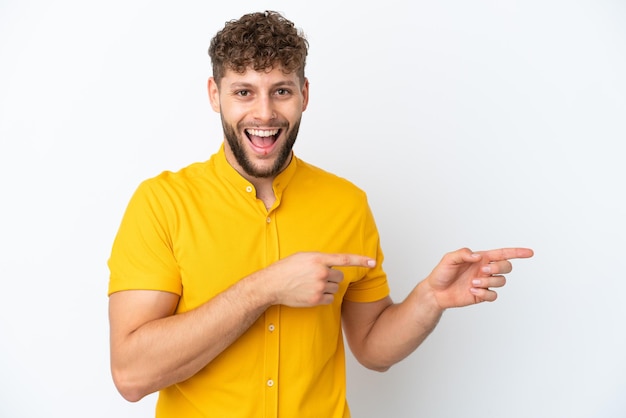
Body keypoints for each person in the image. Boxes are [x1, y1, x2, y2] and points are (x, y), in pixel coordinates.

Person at [107, 10, 533, 418]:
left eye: (281, 90)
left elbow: (371, 347)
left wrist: (429, 300)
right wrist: (265, 288)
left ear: (304, 95)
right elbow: (131, 375)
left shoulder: (346, 204)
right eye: (243, 91)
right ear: (214, 95)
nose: (265, 113)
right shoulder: (161, 203)